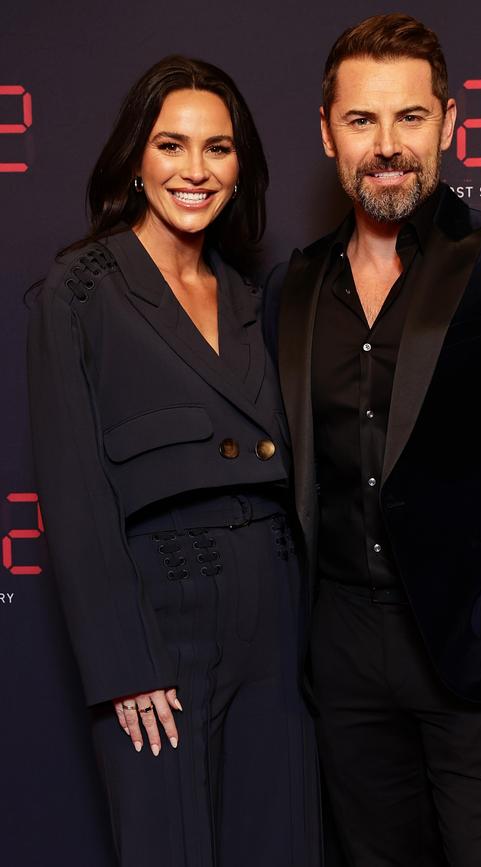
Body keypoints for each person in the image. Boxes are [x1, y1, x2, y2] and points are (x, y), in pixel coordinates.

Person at [265, 13, 481, 867]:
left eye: (409, 117)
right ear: (327, 133)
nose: (387, 145)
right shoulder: (293, 286)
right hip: (342, 657)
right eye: (361, 120)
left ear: (450, 123)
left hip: (476, 653)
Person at [28, 55, 321, 867]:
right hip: (160, 618)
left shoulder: (250, 297)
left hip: (275, 608)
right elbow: (74, 487)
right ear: (136, 158)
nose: (196, 170)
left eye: (218, 148)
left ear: (241, 165)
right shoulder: (78, 291)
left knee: (279, 844)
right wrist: (124, 664)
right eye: (172, 144)